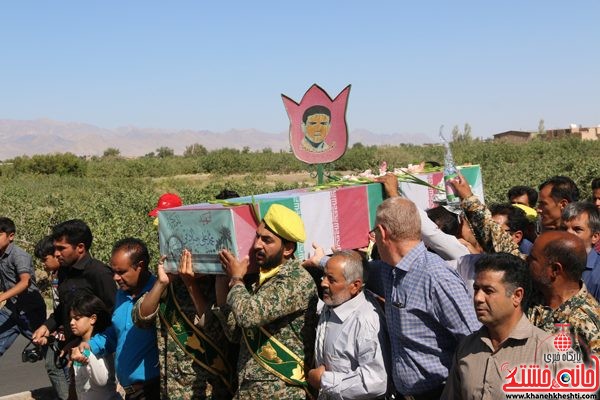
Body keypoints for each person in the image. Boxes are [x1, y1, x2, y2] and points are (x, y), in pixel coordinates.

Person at [364, 197, 480, 399]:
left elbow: (473, 339)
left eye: (374, 232)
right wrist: (322, 261)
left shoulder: (435, 277)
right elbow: (355, 271)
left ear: (382, 233)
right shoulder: (389, 271)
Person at [215, 203, 319, 399]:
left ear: (288, 249)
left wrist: (236, 279)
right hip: (249, 390)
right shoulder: (262, 278)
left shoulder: (296, 281)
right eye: (257, 237)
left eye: (267, 240)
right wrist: (222, 281)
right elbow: (237, 334)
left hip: (281, 391)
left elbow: (249, 316)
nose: (257, 245)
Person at [442, 253, 555, 400]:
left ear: (517, 296)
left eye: (489, 291)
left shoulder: (549, 352)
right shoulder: (466, 348)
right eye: (476, 289)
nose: (478, 298)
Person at [133, 248, 237, 399]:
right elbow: (140, 318)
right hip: (171, 389)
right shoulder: (170, 284)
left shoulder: (219, 281)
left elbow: (219, 333)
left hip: (205, 390)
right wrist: (162, 282)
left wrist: (191, 285)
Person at [32, 220, 117, 391]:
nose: (56, 254)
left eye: (61, 248)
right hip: (75, 351)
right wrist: (47, 326)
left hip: (95, 351)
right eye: (55, 248)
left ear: (80, 247)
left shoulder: (99, 273)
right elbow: (64, 307)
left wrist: (83, 342)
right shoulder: (64, 271)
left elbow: (113, 316)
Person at [72, 238, 160, 400]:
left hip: (151, 389)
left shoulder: (160, 294)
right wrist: (90, 344)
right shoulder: (122, 294)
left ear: (140, 266)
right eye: (113, 272)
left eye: (121, 272)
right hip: (131, 391)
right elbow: (115, 332)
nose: (115, 278)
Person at [307, 250, 388, 399]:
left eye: (331, 279)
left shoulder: (366, 321)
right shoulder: (334, 301)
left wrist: (324, 381)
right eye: (324, 275)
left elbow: (376, 381)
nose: (323, 282)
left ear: (355, 286)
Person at [527, 231, 600, 358]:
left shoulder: (587, 323)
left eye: (532, 258)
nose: (525, 260)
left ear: (555, 270)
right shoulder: (537, 293)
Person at [0, 217, 46, 356]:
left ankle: (70, 372)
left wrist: (1, 297)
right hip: (11, 309)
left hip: (30, 310)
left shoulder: (19, 255)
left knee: (48, 349)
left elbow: (25, 282)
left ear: (11, 236)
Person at [33, 235, 70, 400]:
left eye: (45, 259)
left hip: (68, 328)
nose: (43, 263)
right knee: (59, 365)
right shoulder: (55, 275)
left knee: (54, 366)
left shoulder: (66, 275)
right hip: (59, 327)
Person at [69, 293, 121, 400]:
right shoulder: (78, 347)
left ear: (92, 319)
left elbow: (101, 380)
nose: (71, 322)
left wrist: (87, 355)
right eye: (71, 319)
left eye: (77, 318)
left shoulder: (101, 346)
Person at [561, 202, 600, 301]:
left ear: (595, 237)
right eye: (564, 228)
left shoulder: (597, 274)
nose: (568, 234)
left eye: (577, 230)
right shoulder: (553, 264)